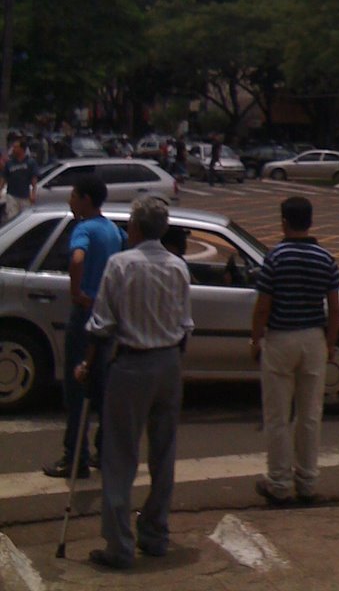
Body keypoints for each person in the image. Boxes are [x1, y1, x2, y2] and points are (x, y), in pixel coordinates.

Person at [76, 196, 194, 569]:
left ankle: (119, 546)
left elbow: (102, 325)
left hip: (132, 364)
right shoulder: (178, 267)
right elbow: (185, 324)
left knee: (119, 457)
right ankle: (155, 534)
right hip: (169, 363)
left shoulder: (121, 265)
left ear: (137, 228)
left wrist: (87, 365)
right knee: (163, 453)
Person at [250, 196, 339, 506]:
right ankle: (307, 482)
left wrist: (255, 339)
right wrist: (329, 344)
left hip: (280, 339)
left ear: (284, 222)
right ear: (310, 222)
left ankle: (278, 482)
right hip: (314, 339)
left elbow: (263, 306)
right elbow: (335, 308)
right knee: (310, 416)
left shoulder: (275, 257)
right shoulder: (326, 258)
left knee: (277, 416)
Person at [43, 176, 127, 479]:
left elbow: (77, 259)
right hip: (108, 318)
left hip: (86, 317)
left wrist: (77, 292)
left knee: (77, 388)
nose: (70, 200)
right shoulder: (114, 231)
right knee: (103, 388)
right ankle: (103, 453)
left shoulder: (84, 229)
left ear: (86, 200)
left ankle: (74, 457)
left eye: (74, 196)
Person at [0, 138, 39, 221]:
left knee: (25, 219)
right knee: (12, 218)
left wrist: (33, 193)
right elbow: (3, 178)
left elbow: (33, 179)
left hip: (25, 196)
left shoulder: (30, 162)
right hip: (11, 195)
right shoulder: (9, 163)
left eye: (15, 147)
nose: (13, 149)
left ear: (22, 149)